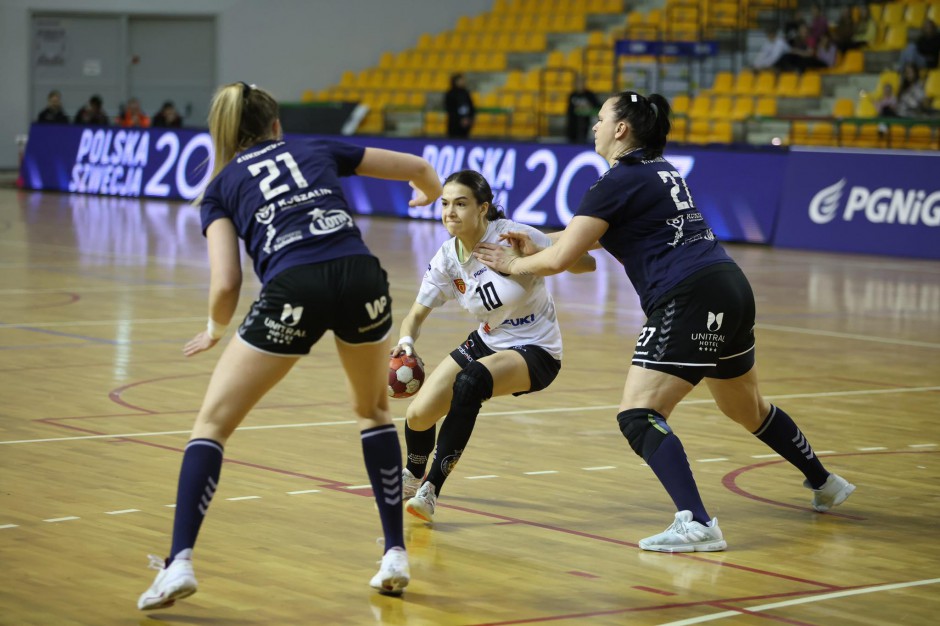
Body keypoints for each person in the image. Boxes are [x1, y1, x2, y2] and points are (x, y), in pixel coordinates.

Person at [473, 90, 856, 553]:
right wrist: (537, 244)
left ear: (621, 129)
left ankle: (696, 523)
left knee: (638, 414)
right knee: (746, 408)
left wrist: (513, 265)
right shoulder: (660, 171)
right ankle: (824, 481)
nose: (593, 126)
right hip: (728, 286)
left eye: (600, 119)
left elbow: (564, 258)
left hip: (688, 295)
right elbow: (582, 238)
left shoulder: (615, 181)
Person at [137, 81, 443, 610]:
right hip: (360, 278)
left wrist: (214, 330)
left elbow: (226, 283)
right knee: (372, 411)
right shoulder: (314, 146)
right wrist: (430, 192)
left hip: (294, 287)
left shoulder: (220, 186)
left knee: (211, 425)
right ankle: (394, 553)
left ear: (224, 133)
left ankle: (179, 563)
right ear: (277, 125)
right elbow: (417, 166)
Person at [393, 170, 596, 523]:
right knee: (418, 415)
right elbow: (413, 316)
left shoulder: (513, 236)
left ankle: (431, 490)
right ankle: (412, 476)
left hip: (537, 348)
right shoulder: (447, 258)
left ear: (483, 208)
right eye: (444, 204)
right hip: (488, 341)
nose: (449, 212)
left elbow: (586, 264)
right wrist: (406, 342)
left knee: (470, 382)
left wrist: (534, 255)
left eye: (460, 204)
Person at [566, 75, 601, 143]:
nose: (579, 85)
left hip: (586, 124)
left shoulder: (589, 95)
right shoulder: (572, 95)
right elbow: (569, 110)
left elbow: (597, 107)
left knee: (584, 140)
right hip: (573, 124)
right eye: (577, 83)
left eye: (581, 83)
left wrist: (588, 109)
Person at [444, 73, 475, 139]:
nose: (463, 82)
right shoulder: (450, 94)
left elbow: (471, 106)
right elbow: (450, 109)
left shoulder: (465, 93)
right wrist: (460, 120)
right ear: (455, 81)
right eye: (461, 80)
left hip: (465, 125)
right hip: (454, 124)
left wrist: (469, 119)